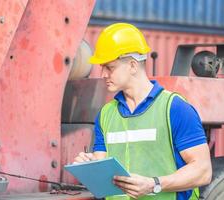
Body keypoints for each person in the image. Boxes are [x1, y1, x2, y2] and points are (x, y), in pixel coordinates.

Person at [74, 23, 212, 200]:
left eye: (110, 67)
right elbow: (103, 167)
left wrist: (154, 184)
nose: (103, 74)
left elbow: (203, 171)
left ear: (132, 65)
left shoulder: (175, 108)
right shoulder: (106, 114)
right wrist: (89, 165)